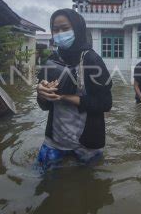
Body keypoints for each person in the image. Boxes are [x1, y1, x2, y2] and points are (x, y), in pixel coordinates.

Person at [35, 9, 112, 170]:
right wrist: (41, 93)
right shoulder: (52, 59)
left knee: (89, 186)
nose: (59, 34)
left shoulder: (92, 60)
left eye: (65, 28)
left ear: (77, 28)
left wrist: (65, 97)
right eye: (55, 30)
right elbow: (45, 106)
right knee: (44, 182)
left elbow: (105, 103)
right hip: (55, 139)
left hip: (87, 143)